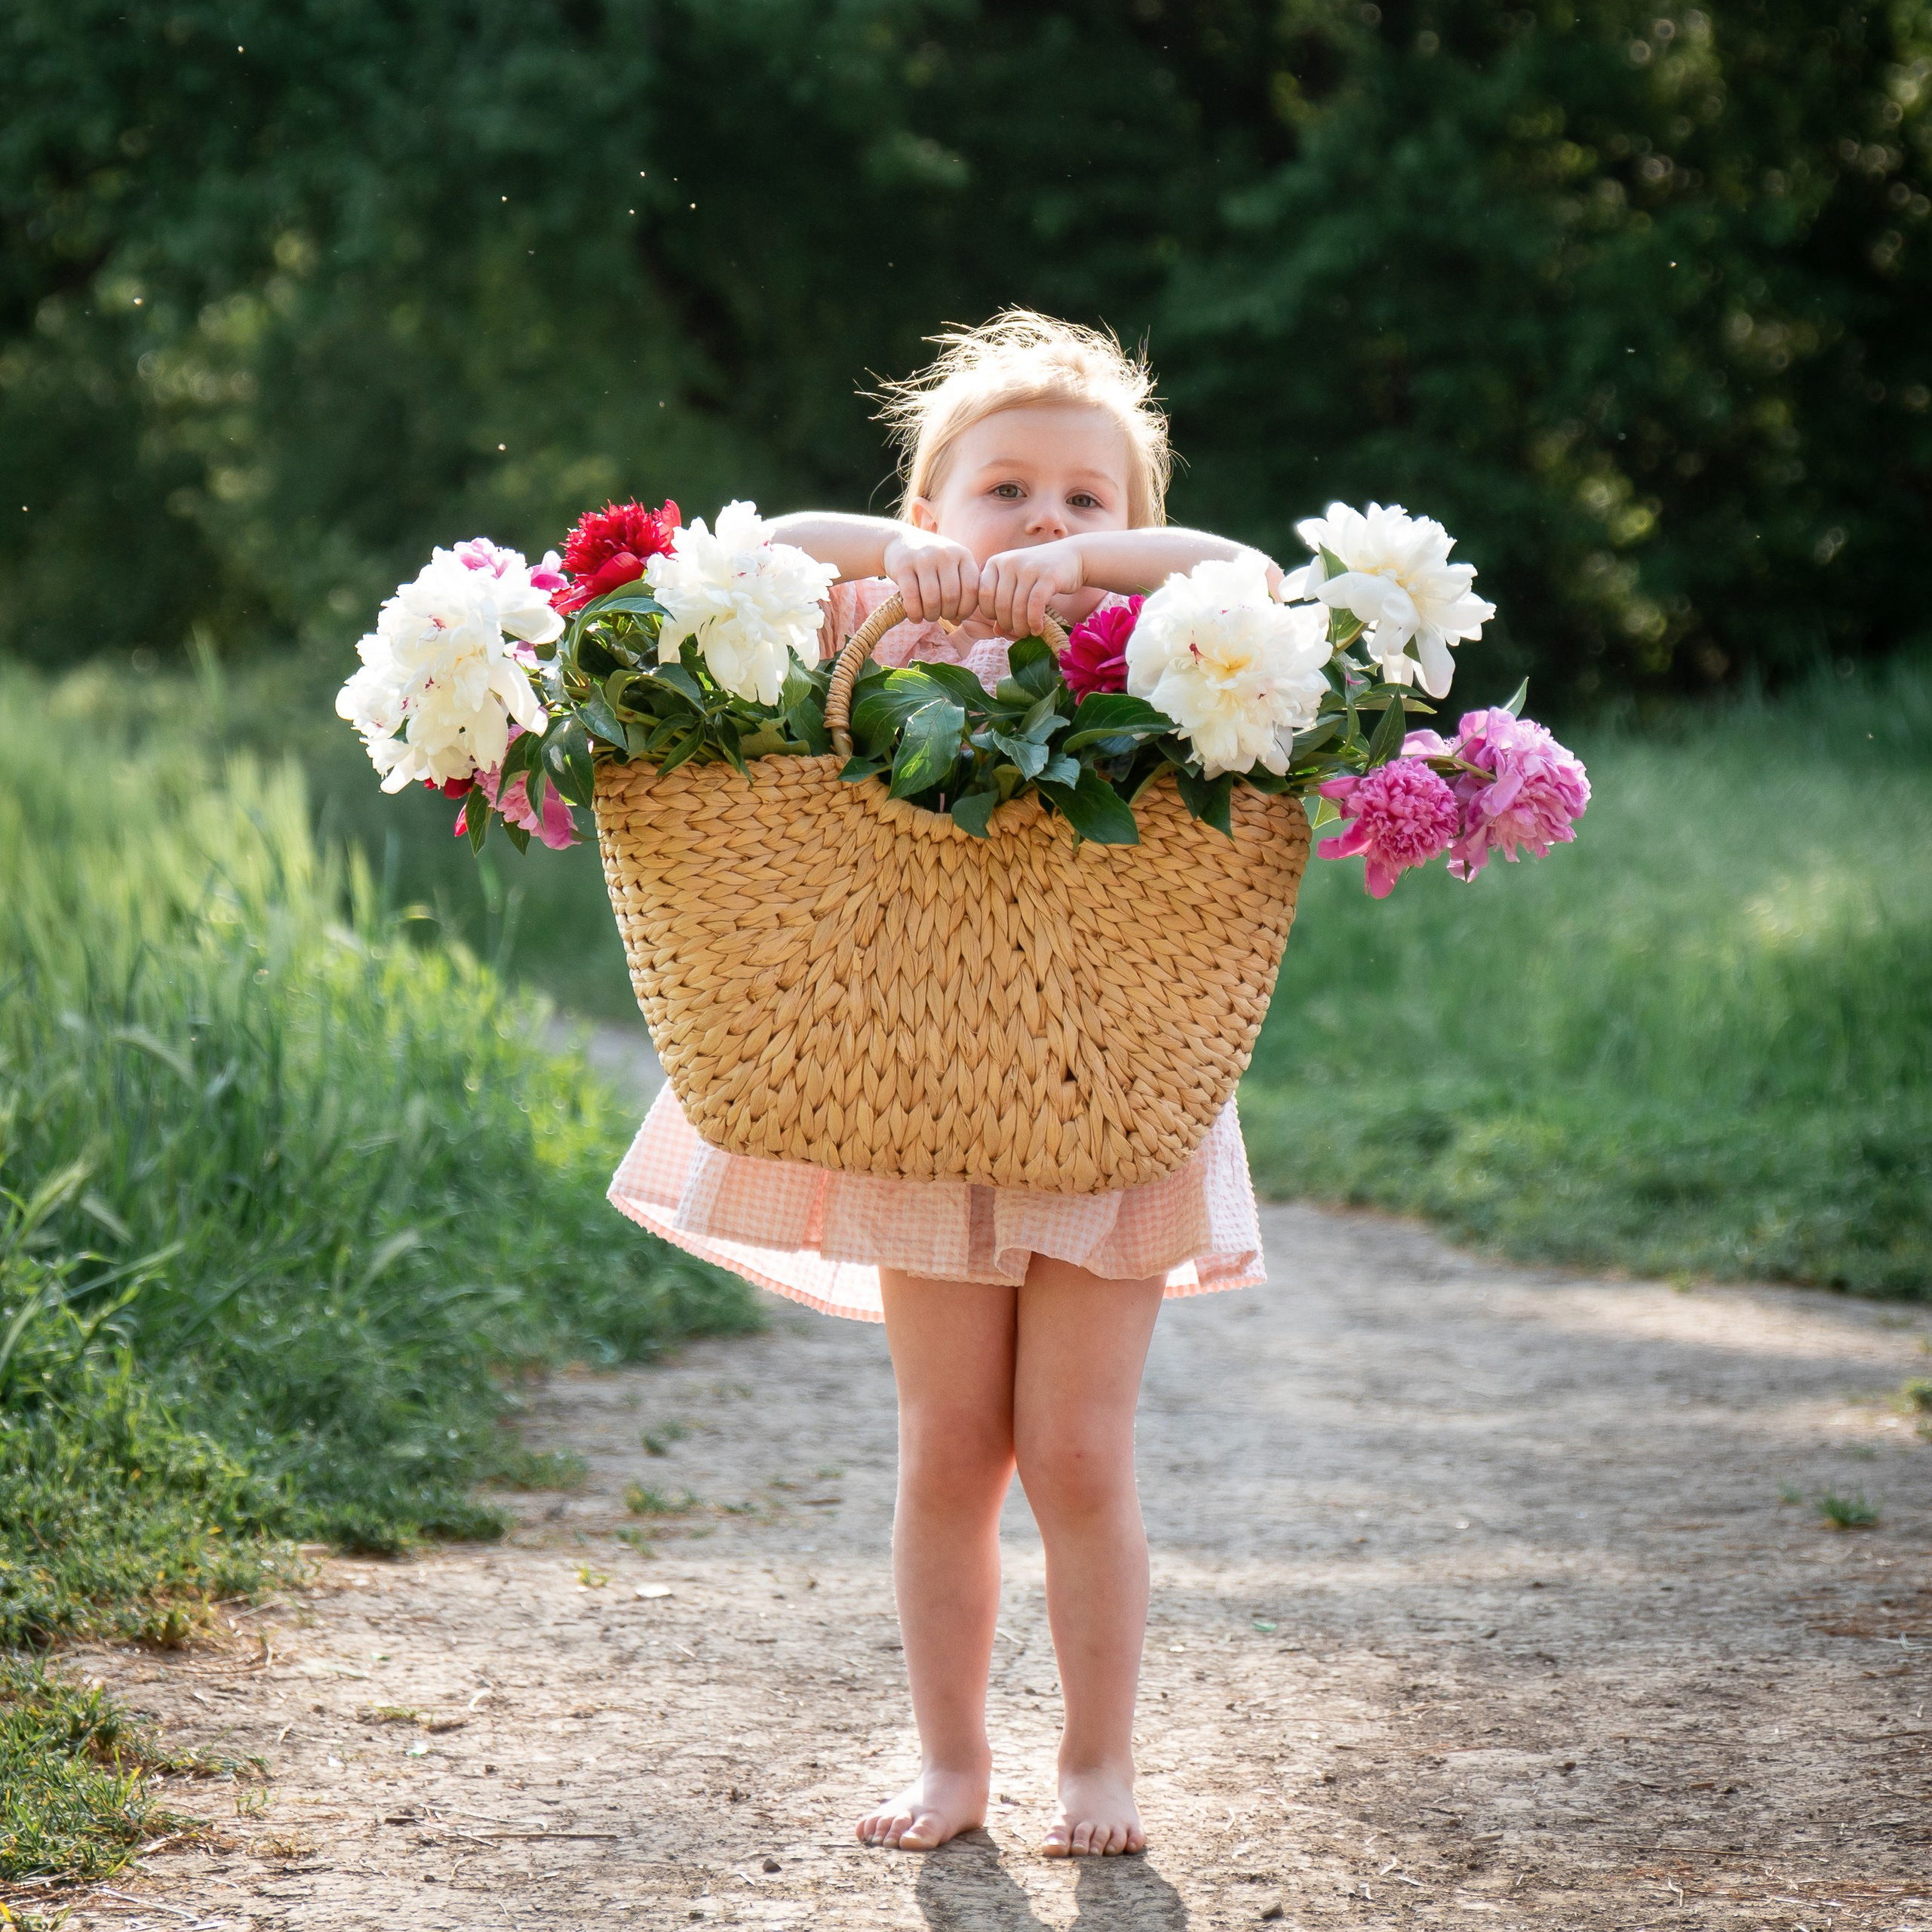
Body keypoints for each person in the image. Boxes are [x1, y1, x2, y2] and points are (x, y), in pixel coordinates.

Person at [609, 311, 1284, 1857]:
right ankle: (952, 1762)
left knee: (1080, 1450)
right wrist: (908, 562)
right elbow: (753, 551)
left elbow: (1245, 570)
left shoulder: (1155, 651)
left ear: (1133, 525)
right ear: (931, 508)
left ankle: (1098, 1763)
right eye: (1005, 491)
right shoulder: (885, 623)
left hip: (1108, 1086)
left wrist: (1087, 572)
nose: (1043, 522)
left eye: (1084, 498)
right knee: (950, 1447)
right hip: (916, 1089)